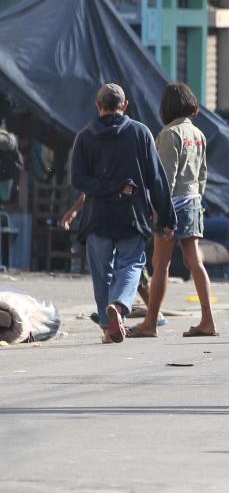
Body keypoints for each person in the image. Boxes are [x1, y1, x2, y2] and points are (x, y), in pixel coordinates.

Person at [70, 84, 177, 343]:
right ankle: (118, 307)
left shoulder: (84, 137)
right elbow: (156, 179)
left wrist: (105, 188)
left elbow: (78, 180)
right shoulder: (140, 133)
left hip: (97, 216)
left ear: (98, 106)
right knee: (131, 265)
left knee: (101, 273)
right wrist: (166, 217)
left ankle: (109, 326)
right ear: (125, 105)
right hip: (131, 215)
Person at [129, 83, 217, 338]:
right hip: (192, 202)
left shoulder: (170, 134)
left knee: (160, 264)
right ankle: (208, 320)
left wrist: (160, 212)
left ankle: (150, 323)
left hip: (172, 205)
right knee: (195, 261)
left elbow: (164, 179)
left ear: (166, 107)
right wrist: (196, 200)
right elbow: (202, 174)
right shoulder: (198, 134)